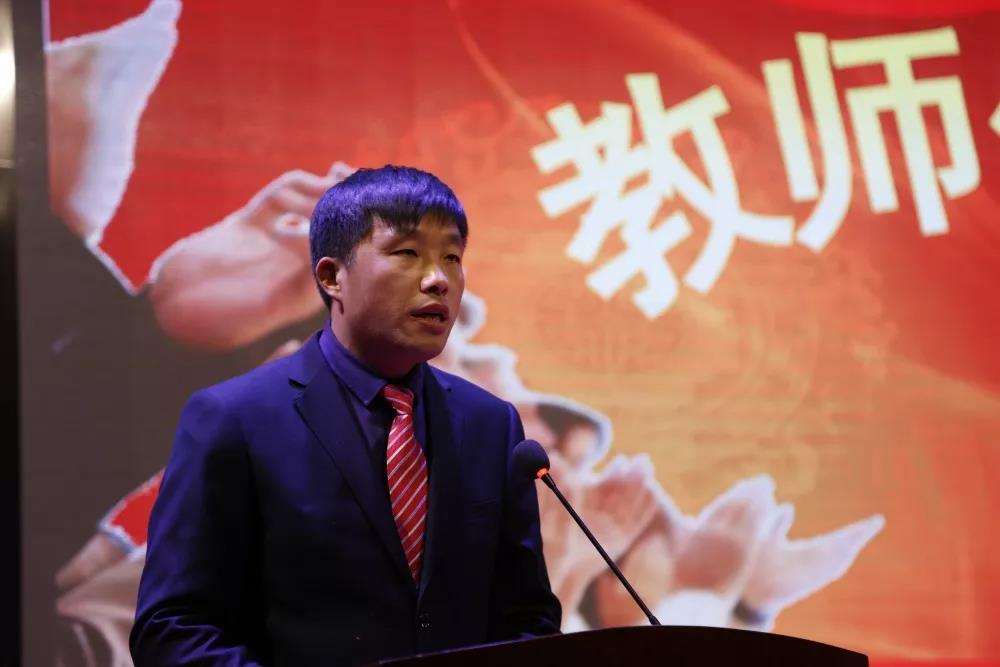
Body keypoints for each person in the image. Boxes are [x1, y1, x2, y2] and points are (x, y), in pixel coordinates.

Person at [129, 165, 562, 665]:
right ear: (332, 277)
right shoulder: (235, 419)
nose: (438, 279)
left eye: (452, 257)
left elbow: (527, 620)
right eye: (407, 254)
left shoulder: (490, 425)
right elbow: (172, 628)